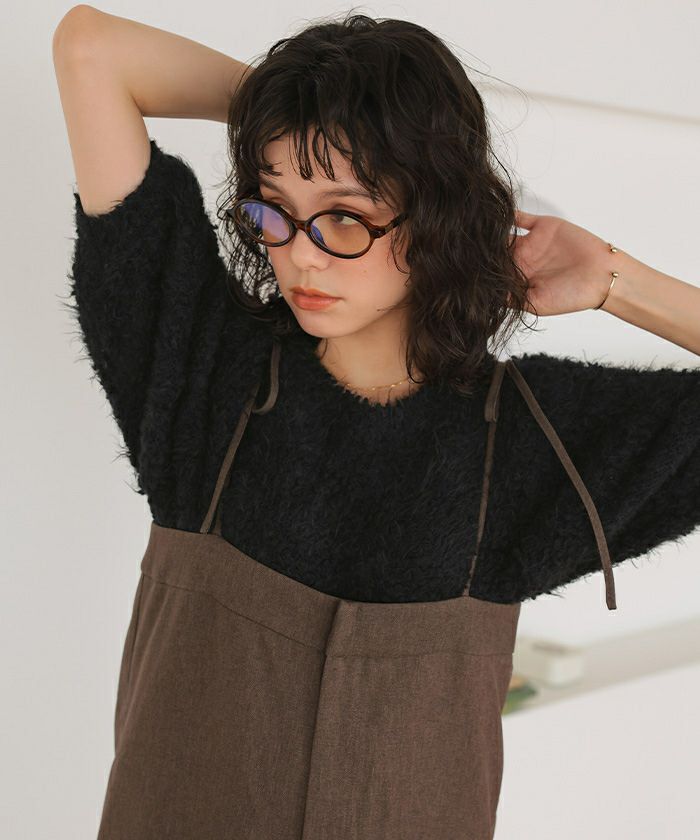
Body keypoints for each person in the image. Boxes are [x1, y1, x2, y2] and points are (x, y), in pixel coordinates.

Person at [54, 7, 700, 839]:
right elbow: (92, 48)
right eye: (274, 208)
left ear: (438, 214)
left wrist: (615, 281)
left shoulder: (528, 444)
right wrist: (308, 114)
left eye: (345, 216)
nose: (301, 253)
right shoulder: (202, 382)